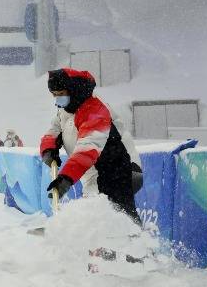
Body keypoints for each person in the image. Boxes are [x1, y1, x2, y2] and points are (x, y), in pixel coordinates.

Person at [40, 68, 143, 223]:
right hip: (94, 173)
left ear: (72, 90)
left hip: (117, 171)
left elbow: (88, 148)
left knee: (117, 222)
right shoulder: (67, 109)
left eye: (60, 94)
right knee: (96, 221)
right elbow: (54, 130)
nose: (57, 99)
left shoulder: (95, 111)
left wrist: (65, 178)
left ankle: (136, 245)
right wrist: (48, 149)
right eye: (54, 95)